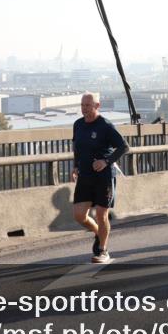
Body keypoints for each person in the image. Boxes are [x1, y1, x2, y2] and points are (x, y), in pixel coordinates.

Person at [70, 93, 129, 263]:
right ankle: (98, 232)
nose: (84, 109)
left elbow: (124, 147)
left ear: (97, 106)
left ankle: (103, 250)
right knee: (79, 216)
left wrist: (106, 161)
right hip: (85, 176)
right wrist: (75, 166)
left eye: (88, 105)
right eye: (82, 105)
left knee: (101, 214)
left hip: (104, 176)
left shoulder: (105, 125)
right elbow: (77, 147)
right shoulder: (78, 124)